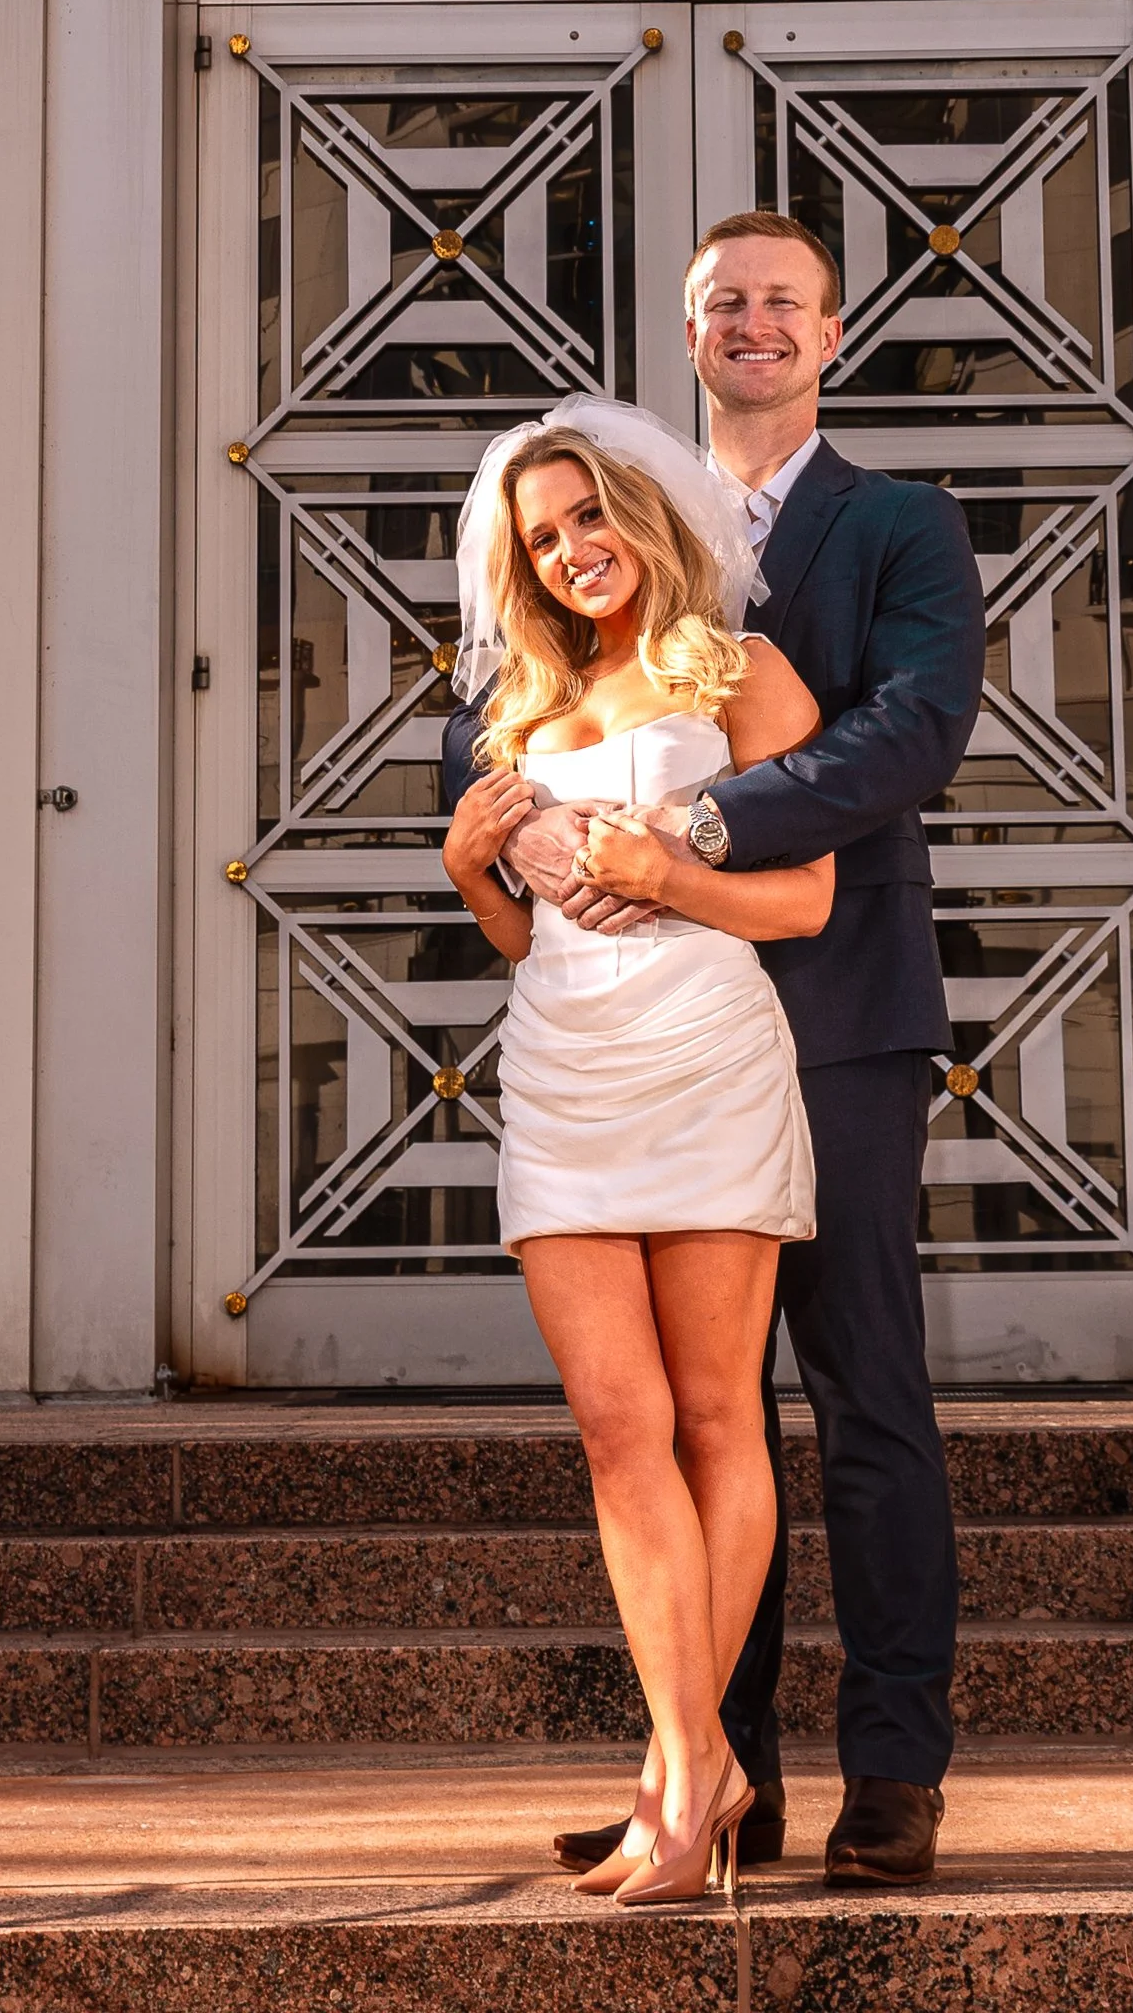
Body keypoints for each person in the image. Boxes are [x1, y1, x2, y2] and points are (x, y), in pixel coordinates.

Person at [447, 212, 986, 1887]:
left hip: (835, 1014)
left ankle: (892, 1769)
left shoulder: (897, 524)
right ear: (689, 340)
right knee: (689, 1411)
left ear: (832, 332)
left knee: (866, 1394)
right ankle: (708, 1762)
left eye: (785, 301)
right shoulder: (628, 518)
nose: (755, 324)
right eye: (723, 303)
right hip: (637, 1037)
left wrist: (683, 825)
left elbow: (911, 733)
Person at [440, 400, 836, 1904]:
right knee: (619, 1429)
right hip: (562, 1074)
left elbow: (803, 904)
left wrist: (666, 866)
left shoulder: (742, 675)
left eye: (589, 517)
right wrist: (473, 868)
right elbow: (517, 937)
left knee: (719, 1418)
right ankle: (697, 1762)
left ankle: (678, 1790)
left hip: (705, 1055)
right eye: (544, 538)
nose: (573, 551)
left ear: (643, 516)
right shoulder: (525, 716)